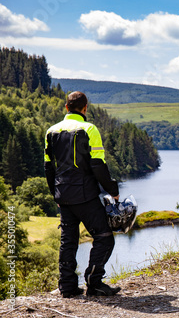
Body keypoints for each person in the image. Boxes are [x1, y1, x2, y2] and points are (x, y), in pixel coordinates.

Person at [44, 91, 121, 298]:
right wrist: (113, 190)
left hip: (63, 195)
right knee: (104, 237)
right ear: (85, 108)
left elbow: (49, 168)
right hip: (85, 196)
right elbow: (98, 165)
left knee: (68, 241)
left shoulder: (51, 131)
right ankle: (94, 283)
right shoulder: (89, 129)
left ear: (66, 108)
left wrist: (56, 196)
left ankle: (67, 287)